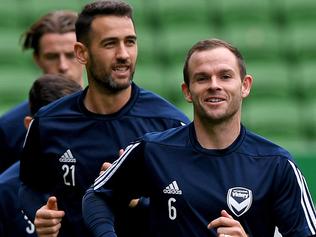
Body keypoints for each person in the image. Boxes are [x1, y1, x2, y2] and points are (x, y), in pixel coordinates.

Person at [82, 38, 316, 237]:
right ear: (187, 91)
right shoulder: (152, 149)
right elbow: (97, 194)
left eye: (225, 76)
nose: (214, 85)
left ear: (245, 86)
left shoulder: (276, 164)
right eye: (202, 78)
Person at [19, 1, 190, 237]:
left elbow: (189, 211)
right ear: (81, 53)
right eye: (110, 44)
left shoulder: (169, 125)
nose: (123, 54)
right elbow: (29, 185)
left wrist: (135, 200)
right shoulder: (48, 122)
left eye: (130, 42)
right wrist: (40, 214)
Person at [0, 10, 84, 173]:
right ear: (37, 59)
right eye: (52, 56)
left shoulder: (113, 116)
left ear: (85, 54)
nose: (63, 66)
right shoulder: (9, 128)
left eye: (70, 55)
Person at [0, 74, 82, 237]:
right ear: (30, 126)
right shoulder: (5, 193)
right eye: (59, 127)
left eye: (78, 124)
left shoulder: (100, 180)